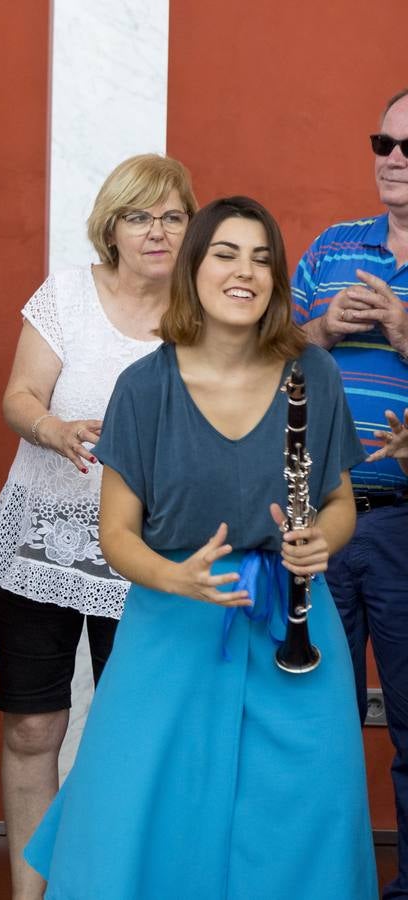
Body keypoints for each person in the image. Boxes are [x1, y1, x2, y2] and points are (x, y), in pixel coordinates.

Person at [25, 196, 378, 898]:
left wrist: (322, 541)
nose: (245, 271)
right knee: (145, 811)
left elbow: (338, 504)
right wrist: (175, 578)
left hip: (293, 621)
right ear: (193, 269)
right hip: (173, 619)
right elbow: (116, 535)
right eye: (226, 254)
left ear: (276, 280)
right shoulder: (144, 386)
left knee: (298, 815)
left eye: (261, 259)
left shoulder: (314, 374)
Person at [0, 154, 196, 899]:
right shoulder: (67, 293)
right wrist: (53, 429)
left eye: (173, 217)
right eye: (140, 216)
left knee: (128, 737)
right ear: (111, 227)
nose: (157, 231)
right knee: (32, 727)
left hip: (143, 553)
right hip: (41, 539)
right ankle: (28, 893)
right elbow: (19, 395)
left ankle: (107, 885)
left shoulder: (201, 313)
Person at [292, 86, 408, 899]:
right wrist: (323, 329)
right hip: (320, 522)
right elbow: (265, 354)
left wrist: (401, 328)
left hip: (405, 527)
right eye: (383, 144)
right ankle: (321, 885)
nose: (393, 160)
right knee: (310, 724)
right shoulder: (332, 248)